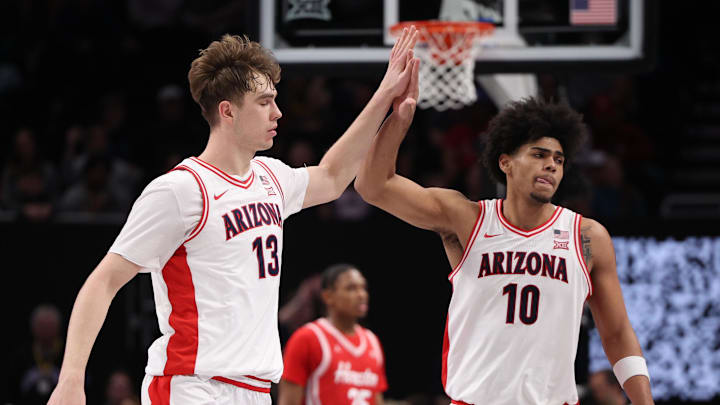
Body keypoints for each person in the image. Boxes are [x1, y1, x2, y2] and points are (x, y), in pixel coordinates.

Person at [48, 27, 419, 405]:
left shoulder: (271, 177)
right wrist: (71, 380)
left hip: (255, 390)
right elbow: (104, 281)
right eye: (264, 102)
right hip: (193, 386)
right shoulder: (181, 190)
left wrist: (386, 95)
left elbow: (333, 176)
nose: (278, 111)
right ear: (227, 110)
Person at [354, 76, 654, 404]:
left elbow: (617, 333)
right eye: (539, 154)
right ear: (505, 161)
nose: (551, 165)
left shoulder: (586, 236)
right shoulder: (466, 218)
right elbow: (373, 185)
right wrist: (398, 119)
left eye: (558, 159)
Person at [279, 264, 387, 405]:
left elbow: (376, 399)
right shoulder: (307, 338)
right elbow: (288, 401)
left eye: (363, 288)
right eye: (351, 288)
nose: (361, 295)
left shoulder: (372, 341)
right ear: (328, 296)